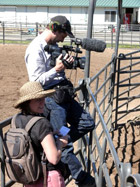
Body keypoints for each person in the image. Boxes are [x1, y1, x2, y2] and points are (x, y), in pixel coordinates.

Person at [25, 15, 96, 187]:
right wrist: (57, 69)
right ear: (56, 30)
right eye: (64, 34)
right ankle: (82, 178)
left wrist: (67, 64)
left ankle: (59, 139)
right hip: (52, 99)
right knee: (65, 146)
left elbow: (57, 70)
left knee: (86, 122)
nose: (65, 37)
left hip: (63, 95)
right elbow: (35, 81)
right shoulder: (36, 48)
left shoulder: (54, 45)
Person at [14, 81, 69, 187]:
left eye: (43, 98)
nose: (43, 103)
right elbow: (53, 158)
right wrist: (60, 143)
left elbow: (32, 138)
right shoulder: (42, 123)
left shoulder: (17, 119)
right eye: (38, 99)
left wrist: (50, 135)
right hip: (47, 178)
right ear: (27, 102)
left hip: (29, 176)